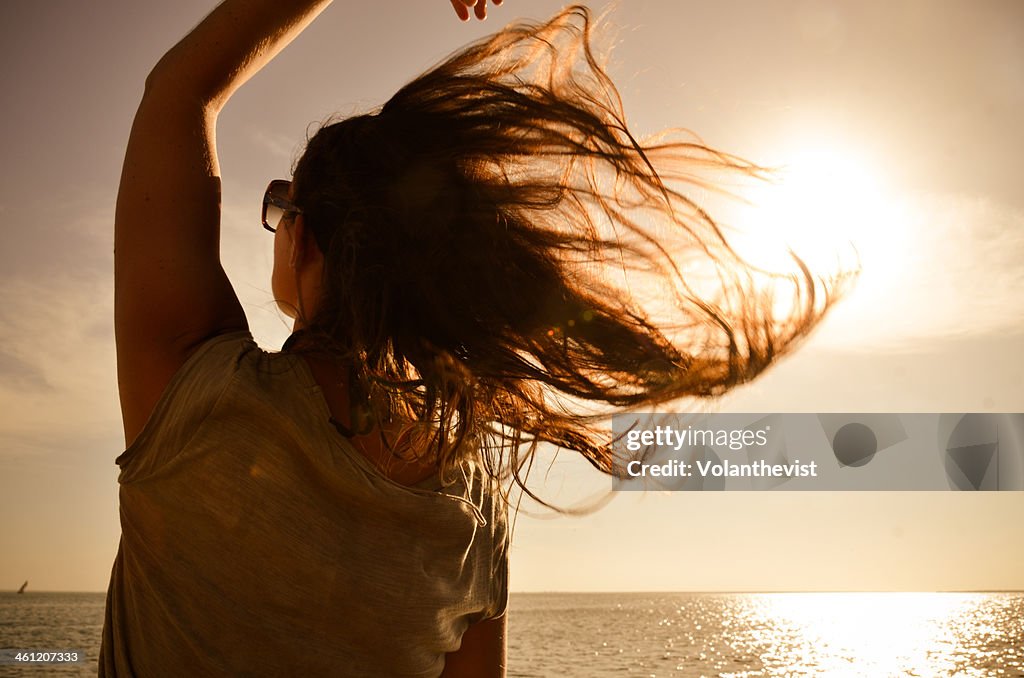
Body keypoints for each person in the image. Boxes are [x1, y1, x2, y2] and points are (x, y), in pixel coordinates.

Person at [102, 1, 838, 676]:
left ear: (307, 240)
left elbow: (181, 89)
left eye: (281, 208)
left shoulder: (194, 394)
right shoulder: (470, 493)